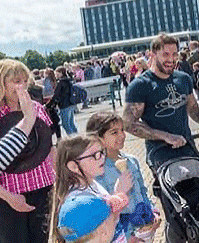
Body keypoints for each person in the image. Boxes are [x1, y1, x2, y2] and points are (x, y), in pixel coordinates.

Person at [123, 33, 199, 243]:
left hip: (188, 149)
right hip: (161, 155)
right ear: (153, 55)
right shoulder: (141, 85)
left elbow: (195, 111)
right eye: (165, 54)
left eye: (174, 54)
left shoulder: (183, 79)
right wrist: (165, 136)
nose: (171, 59)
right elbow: (129, 123)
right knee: (178, 210)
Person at [0, 59, 57, 243]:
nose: (22, 86)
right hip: (10, 196)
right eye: (16, 81)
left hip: (43, 190)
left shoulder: (38, 109)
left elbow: (51, 147)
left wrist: (59, 181)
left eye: (25, 81)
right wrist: (8, 197)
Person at [86, 112, 161, 242]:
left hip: (143, 228)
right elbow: (103, 211)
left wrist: (153, 213)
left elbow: (143, 191)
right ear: (98, 138)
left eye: (122, 130)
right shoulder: (97, 170)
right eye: (114, 132)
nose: (122, 135)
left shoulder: (132, 161)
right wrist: (127, 236)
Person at [50, 135, 132, 243]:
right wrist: (120, 193)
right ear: (74, 166)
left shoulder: (92, 183)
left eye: (102, 152)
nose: (102, 157)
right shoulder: (79, 200)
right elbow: (103, 224)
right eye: (95, 155)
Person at [52, 67, 78, 135]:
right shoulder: (68, 81)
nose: (56, 75)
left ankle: (72, 139)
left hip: (64, 105)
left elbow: (56, 95)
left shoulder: (61, 82)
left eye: (57, 73)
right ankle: (77, 137)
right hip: (71, 103)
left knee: (65, 124)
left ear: (61, 73)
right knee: (71, 123)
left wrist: (51, 104)